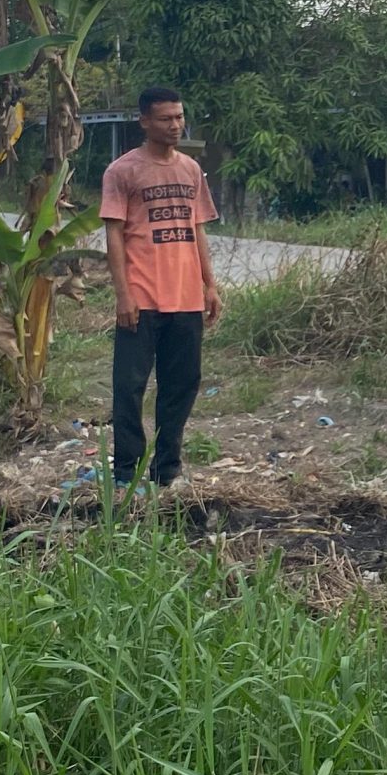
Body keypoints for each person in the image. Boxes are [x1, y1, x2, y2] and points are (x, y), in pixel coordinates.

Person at [100, 86, 224, 488]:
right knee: (130, 387)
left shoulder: (190, 170)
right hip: (141, 296)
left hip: (185, 297)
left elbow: (197, 229)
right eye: (166, 118)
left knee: (182, 384)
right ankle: (126, 472)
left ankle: (167, 468)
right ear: (145, 122)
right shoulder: (122, 171)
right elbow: (114, 236)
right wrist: (123, 295)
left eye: (179, 117)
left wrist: (210, 285)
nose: (176, 125)